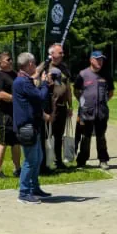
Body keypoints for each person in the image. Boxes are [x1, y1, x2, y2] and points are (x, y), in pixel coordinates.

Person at [12, 52, 52, 204]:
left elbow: (36, 74)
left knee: (38, 158)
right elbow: (40, 97)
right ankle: (23, 192)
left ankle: (34, 188)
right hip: (26, 127)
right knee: (30, 160)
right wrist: (45, 84)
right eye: (34, 63)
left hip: (32, 125)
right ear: (29, 65)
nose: (35, 66)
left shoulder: (23, 80)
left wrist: (45, 62)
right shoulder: (23, 82)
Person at [74, 50, 112, 169]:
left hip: (101, 112)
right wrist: (84, 102)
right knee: (86, 137)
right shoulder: (83, 74)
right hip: (86, 112)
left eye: (101, 59)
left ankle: (103, 160)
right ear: (91, 60)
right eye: (97, 59)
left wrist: (102, 102)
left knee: (101, 136)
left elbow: (110, 92)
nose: (100, 61)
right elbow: (76, 91)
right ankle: (82, 161)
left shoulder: (106, 75)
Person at [0, 52, 21, 178]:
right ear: (0, 62)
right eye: (8, 59)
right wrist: (15, 98)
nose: (11, 61)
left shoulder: (14, 74)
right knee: (3, 141)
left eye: (11, 59)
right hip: (5, 114)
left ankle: (18, 168)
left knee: (16, 142)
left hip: (16, 113)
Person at [45, 43, 72, 171]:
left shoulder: (64, 68)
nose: (62, 54)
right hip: (50, 107)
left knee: (59, 135)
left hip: (62, 107)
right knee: (47, 135)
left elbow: (68, 88)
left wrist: (70, 105)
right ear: (52, 54)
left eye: (62, 52)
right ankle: (45, 161)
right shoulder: (45, 68)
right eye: (60, 52)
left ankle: (58, 161)